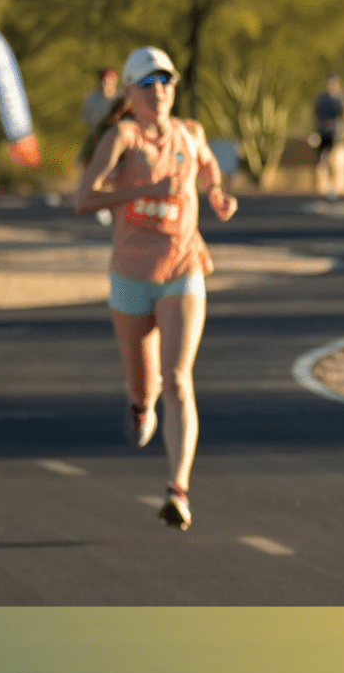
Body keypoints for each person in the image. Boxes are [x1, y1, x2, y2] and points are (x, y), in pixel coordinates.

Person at [75, 46, 238, 530]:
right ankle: (138, 405)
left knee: (179, 378)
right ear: (130, 92)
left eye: (167, 81)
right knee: (146, 389)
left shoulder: (190, 133)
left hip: (182, 266)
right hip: (130, 276)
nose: (160, 91)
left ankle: (178, 490)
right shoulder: (121, 138)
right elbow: (85, 198)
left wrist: (215, 193)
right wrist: (143, 192)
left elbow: (208, 166)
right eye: (149, 83)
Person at [312, 74, 344, 200]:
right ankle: (326, 186)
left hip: (337, 132)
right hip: (323, 131)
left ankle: (337, 185)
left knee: (335, 157)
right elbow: (315, 114)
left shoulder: (342, 97)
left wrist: (342, 117)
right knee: (324, 159)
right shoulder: (322, 98)